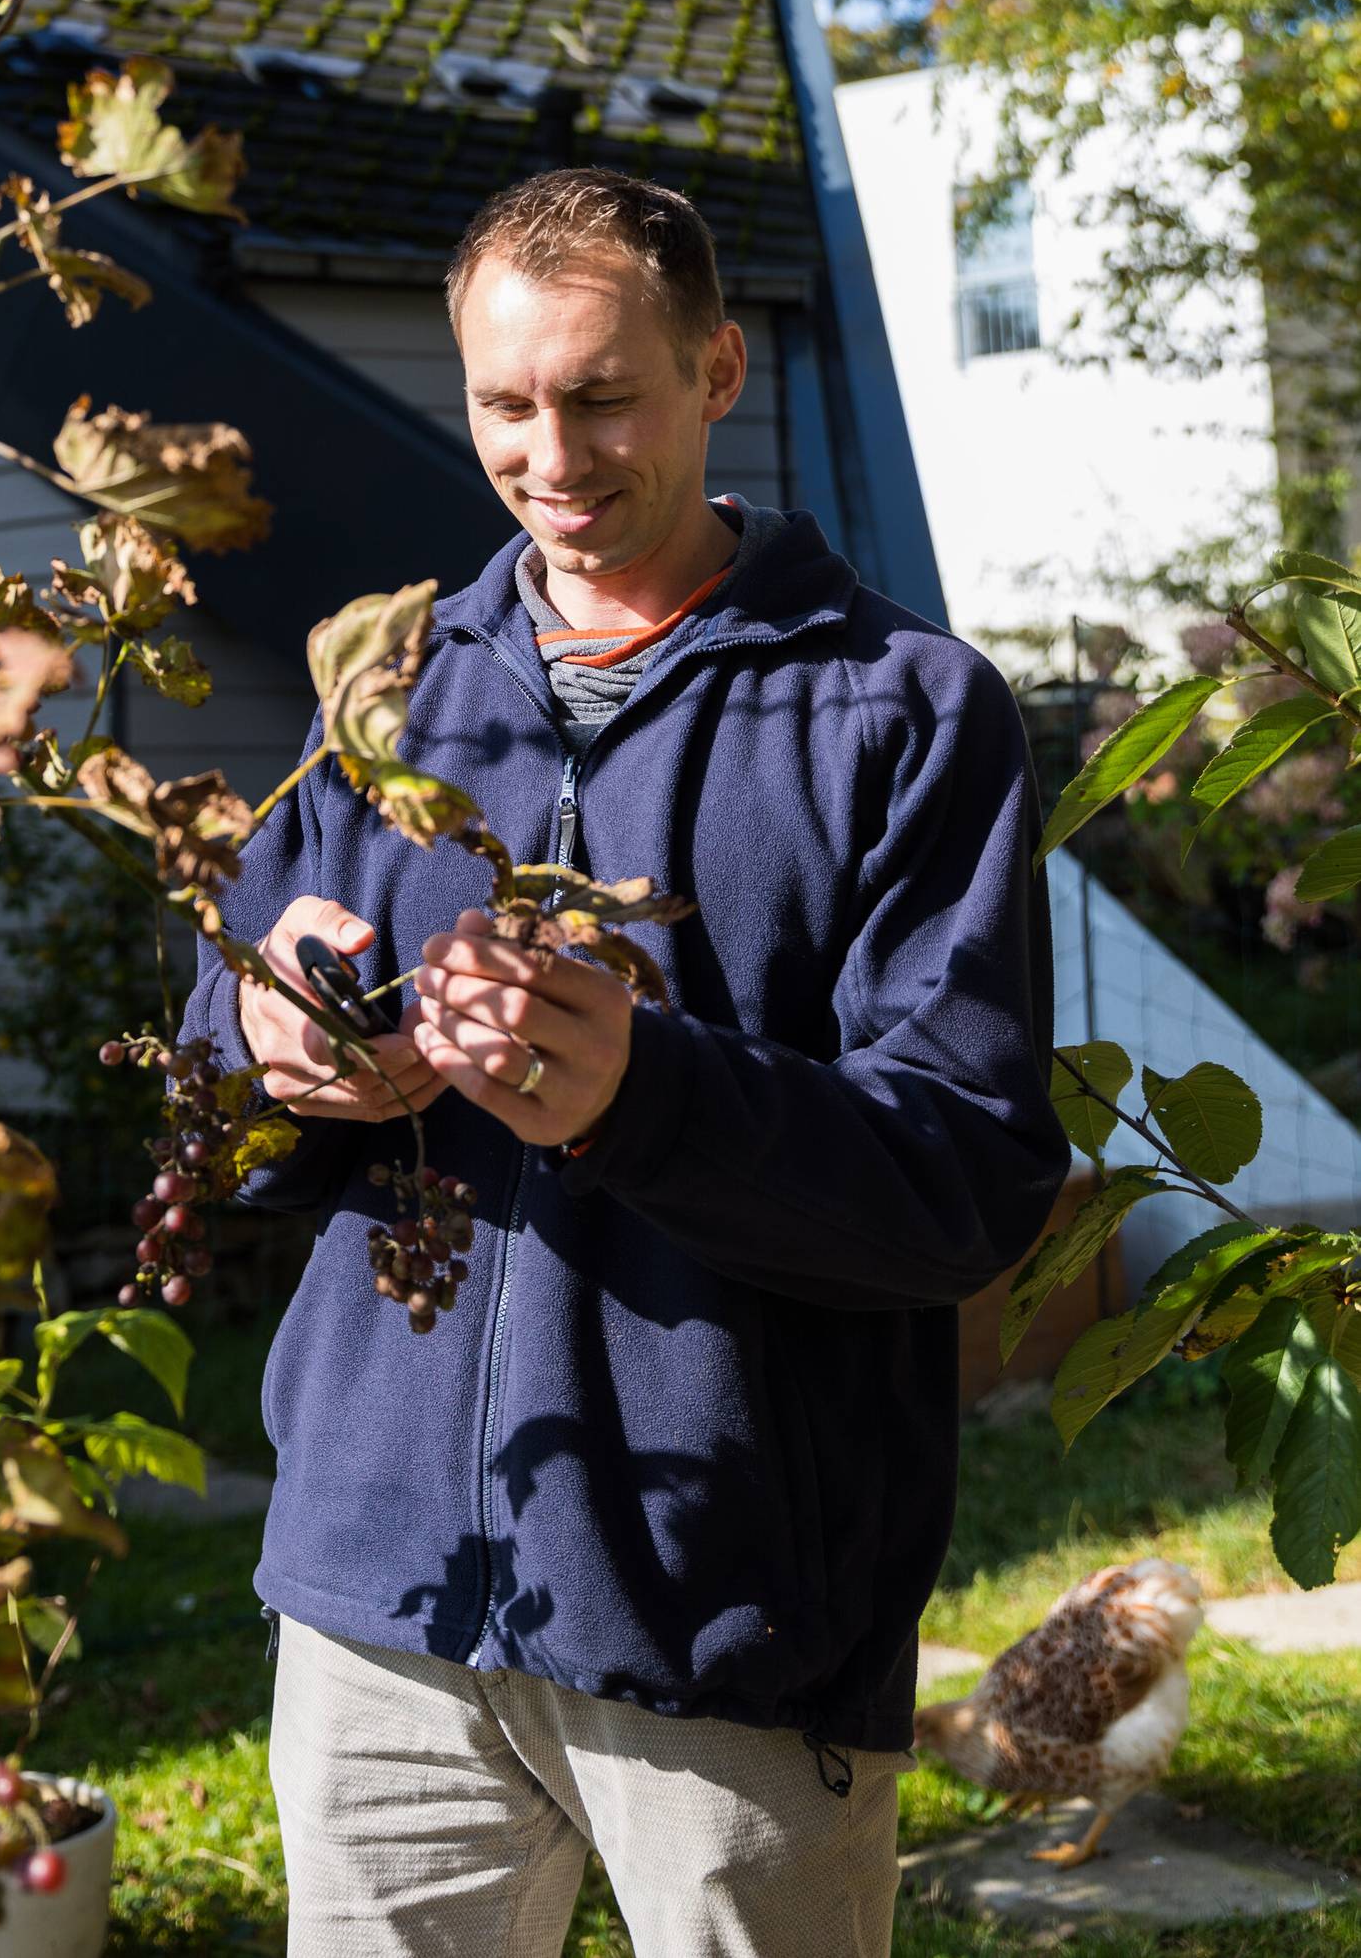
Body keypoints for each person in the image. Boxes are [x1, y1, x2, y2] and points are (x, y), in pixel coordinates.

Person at [178, 165, 1067, 1958]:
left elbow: (969, 1174)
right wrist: (268, 1041)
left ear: (719, 369)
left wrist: (642, 1097)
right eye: (504, 404)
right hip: (381, 1596)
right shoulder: (394, 688)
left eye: (603, 396)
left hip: (728, 1614)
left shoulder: (901, 710)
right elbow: (215, 1039)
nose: (552, 455)